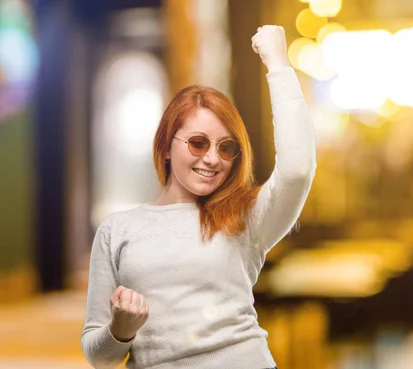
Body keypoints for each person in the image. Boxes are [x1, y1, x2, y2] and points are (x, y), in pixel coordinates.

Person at [81, 25, 316, 369]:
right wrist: (120, 330)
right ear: (165, 145)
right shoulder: (118, 229)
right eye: (198, 142)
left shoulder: (245, 217)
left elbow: (296, 170)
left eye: (226, 147)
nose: (212, 158)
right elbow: (99, 358)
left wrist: (278, 64)